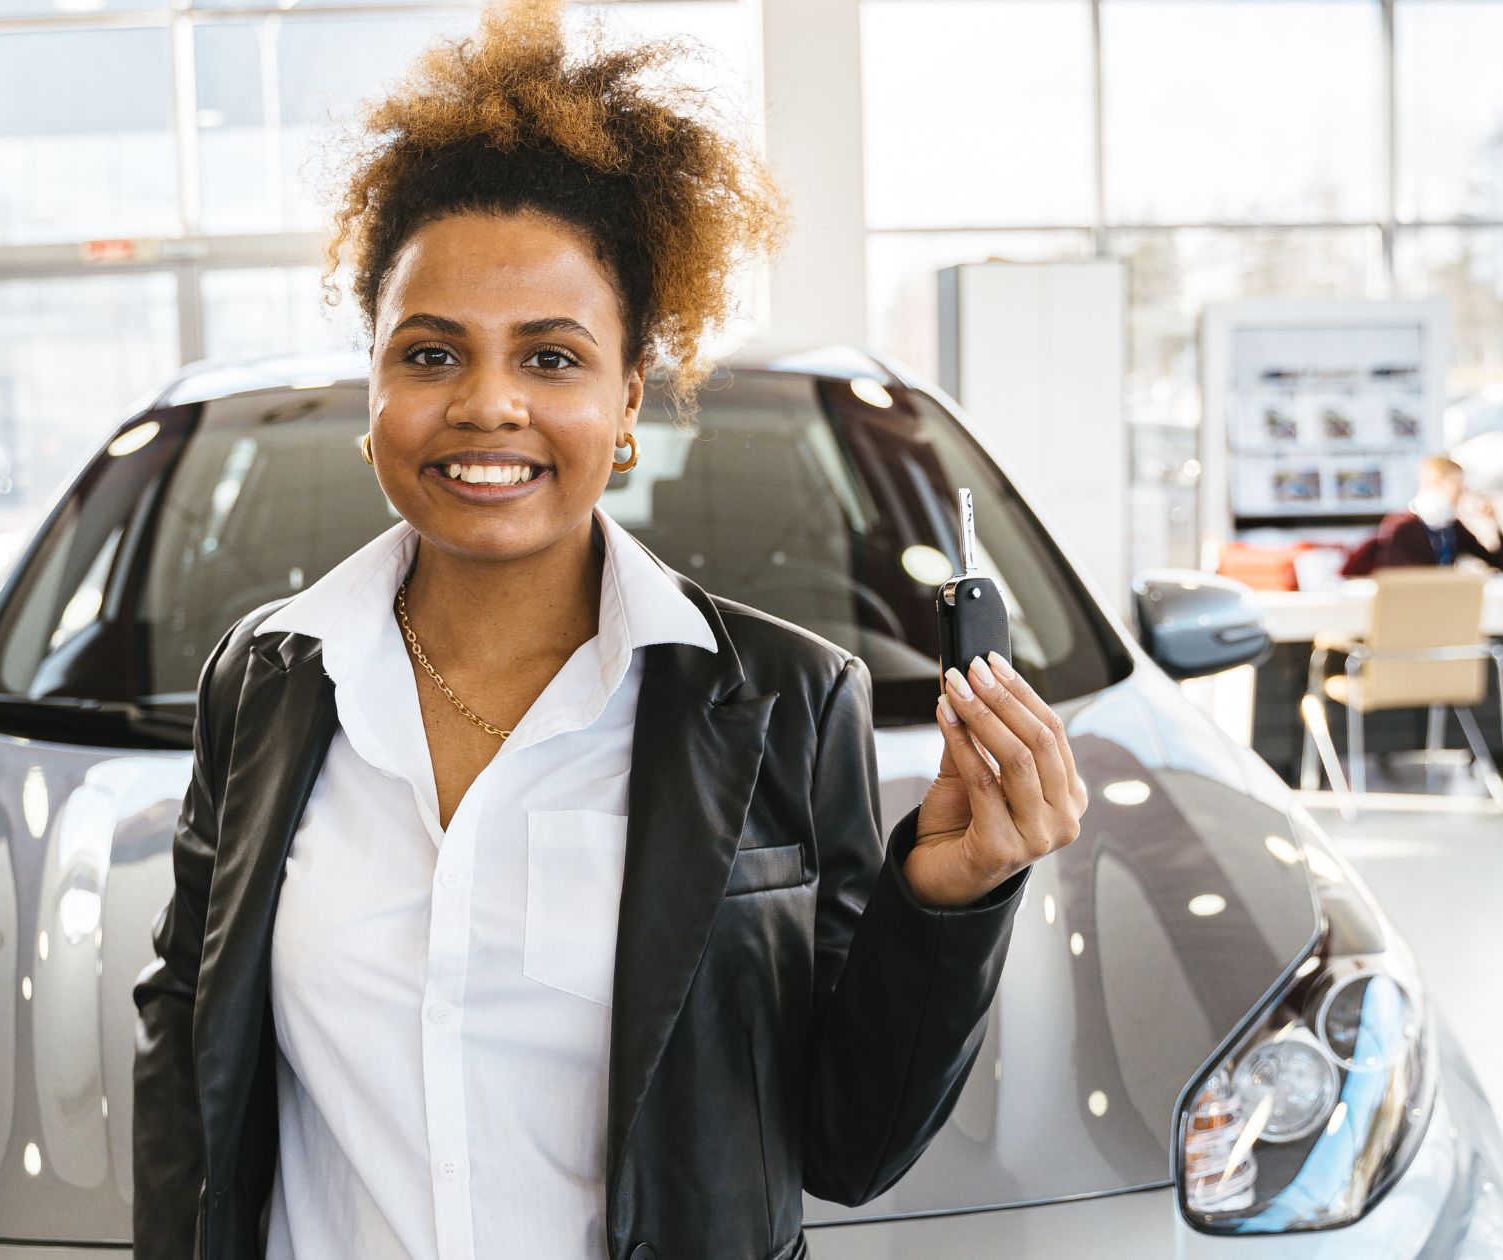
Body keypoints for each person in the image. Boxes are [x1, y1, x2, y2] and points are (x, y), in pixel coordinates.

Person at [129, 3, 1086, 1256]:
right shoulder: (264, 680)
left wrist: (948, 898)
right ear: (370, 382)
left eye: (549, 358)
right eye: (428, 354)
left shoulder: (788, 703)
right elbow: (188, 1051)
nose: (485, 405)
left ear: (628, 392)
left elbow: (850, 1146)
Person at [1340, 454, 1503, 577]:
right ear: (1437, 483)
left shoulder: (1452, 528)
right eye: (1457, 486)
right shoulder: (1402, 527)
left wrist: (1494, 522)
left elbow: (1502, 565)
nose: (1462, 493)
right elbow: (1396, 576)